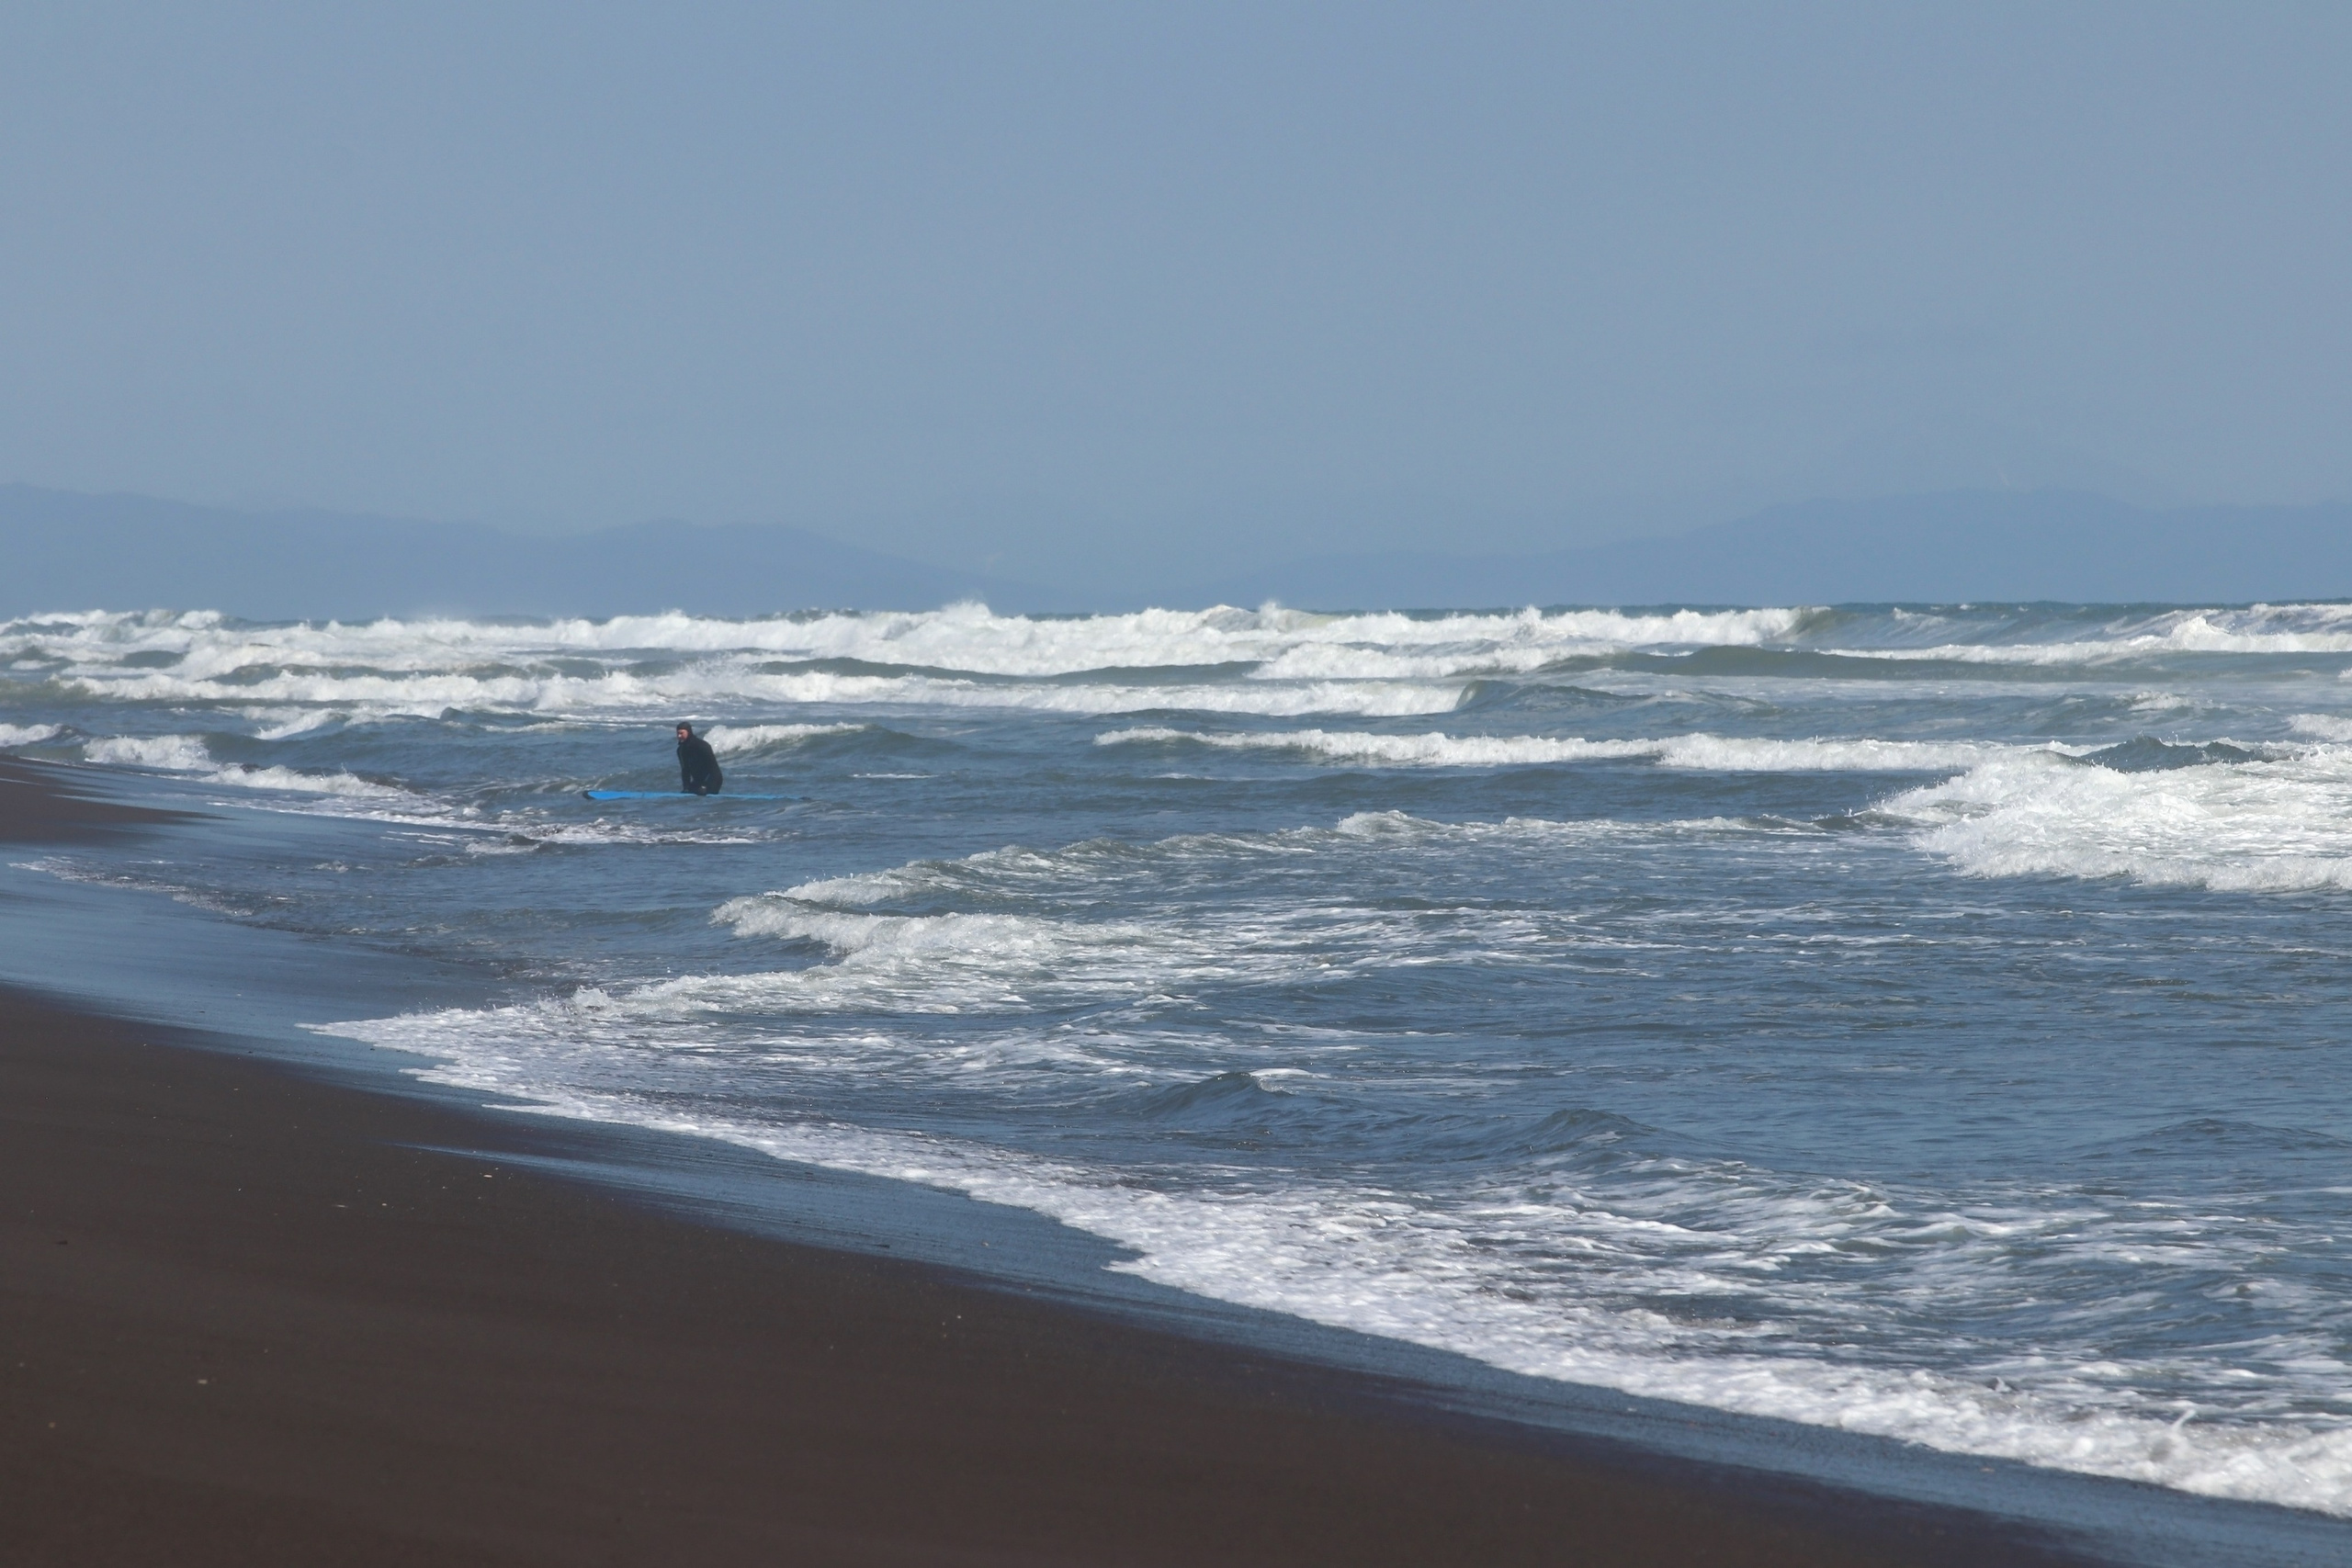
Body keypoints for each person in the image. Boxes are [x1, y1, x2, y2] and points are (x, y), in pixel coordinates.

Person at [674, 722, 723, 795]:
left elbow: (714, 770)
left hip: (713, 779)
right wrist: (686, 787)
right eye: (678, 733)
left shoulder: (702, 746)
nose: (679, 736)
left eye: (682, 733)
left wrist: (706, 786)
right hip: (698, 782)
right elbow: (685, 770)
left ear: (689, 732)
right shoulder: (681, 750)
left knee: (702, 793)